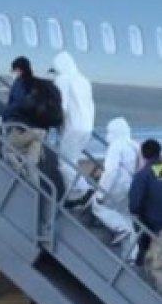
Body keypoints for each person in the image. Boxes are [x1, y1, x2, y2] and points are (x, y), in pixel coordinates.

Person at [129, 139, 162, 301]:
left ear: (143, 154)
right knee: (149, 260)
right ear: (160, 153)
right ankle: (153, 300)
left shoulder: (143, 174)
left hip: (161, 228)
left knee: (159, 268)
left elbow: (134, 205)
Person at [50, 52, 95, 205]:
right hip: (87, 126)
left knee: (64, 162)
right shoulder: (84, 80)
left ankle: (84, 191)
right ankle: (74, 196)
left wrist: (52, 124)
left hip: (72, 126)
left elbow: (60, 106)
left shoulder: (62, 79)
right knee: (72, 160)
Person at [91, 117, 140, 248]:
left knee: (98, 206)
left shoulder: (116, 146)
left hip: (118, 184)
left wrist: (101, 194)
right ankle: (131, 255)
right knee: (125, 216)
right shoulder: (135, 145)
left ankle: (120, 228)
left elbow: (110, 172)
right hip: (132, 186)